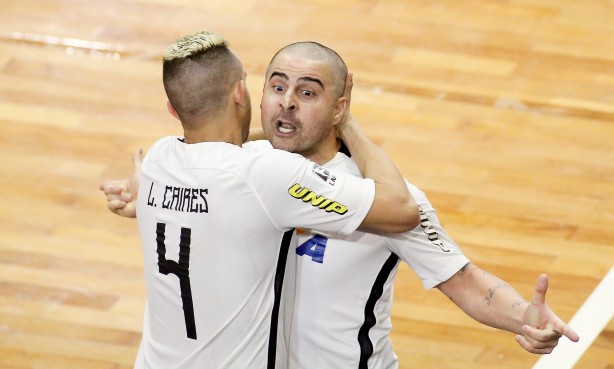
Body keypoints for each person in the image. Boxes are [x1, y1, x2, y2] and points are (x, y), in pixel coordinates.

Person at [103, 40, 579, 368]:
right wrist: (144, 196)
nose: (287, 103)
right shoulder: (238, 168)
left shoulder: (382, 199)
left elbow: (468, 283)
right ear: (251, 96)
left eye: (308, 92)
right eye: (276, 86)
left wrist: (526, 318)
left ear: (339, 106)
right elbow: (190, 178)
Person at [102, 31, 420, 369]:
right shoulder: (267, 173)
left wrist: (144, 197)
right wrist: (344, 120)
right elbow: (400, 210)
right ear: (241, 93)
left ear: (173, 109)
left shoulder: (158, 160)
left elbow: (207, 162)